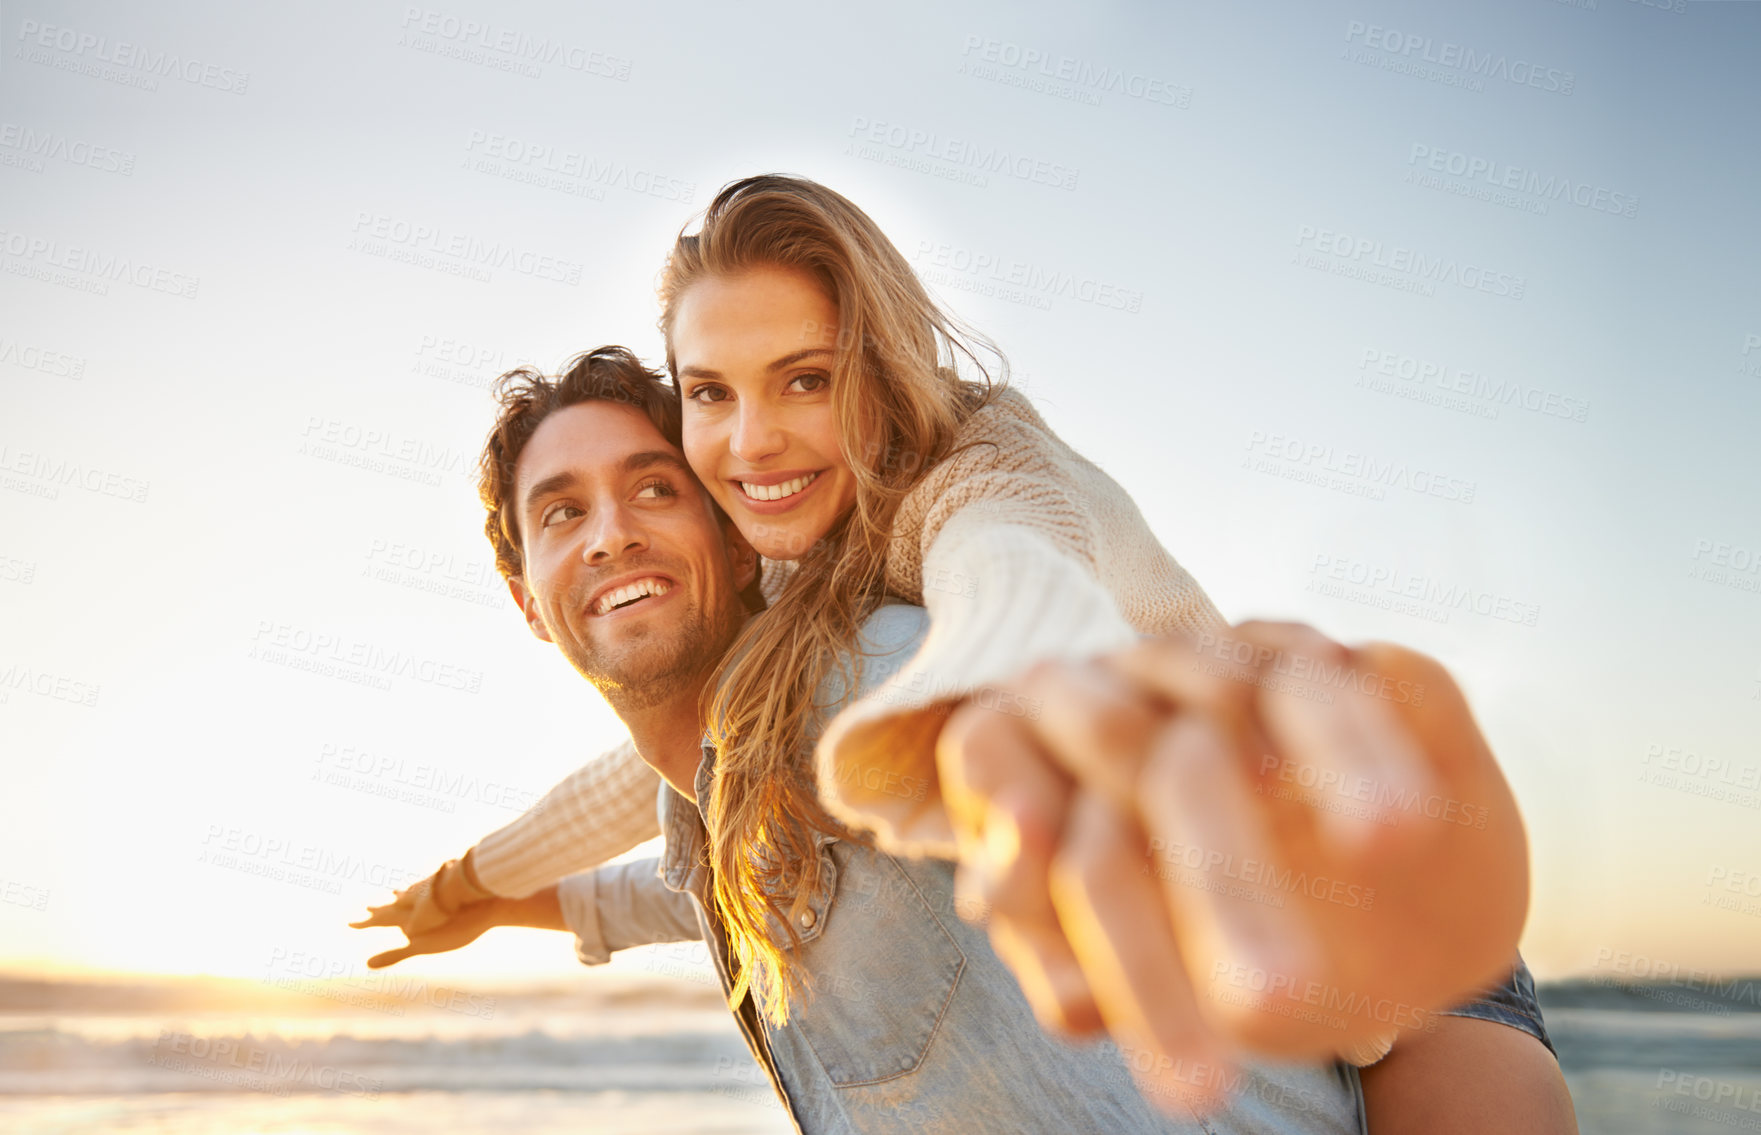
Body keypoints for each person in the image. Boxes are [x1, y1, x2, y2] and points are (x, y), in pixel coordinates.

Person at [357, 348, 1576, 1133]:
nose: (611, 532)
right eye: (561, 512)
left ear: (738, 529)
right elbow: (662, 892)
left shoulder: (887, 667)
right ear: (529, 597)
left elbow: (1045, 726)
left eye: (656, 485)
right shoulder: (716, 810)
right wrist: (468, 900)